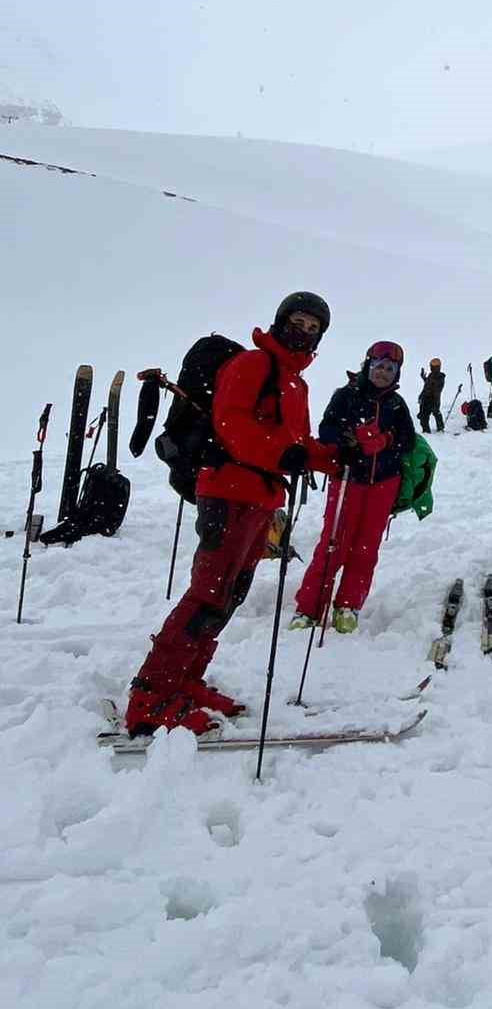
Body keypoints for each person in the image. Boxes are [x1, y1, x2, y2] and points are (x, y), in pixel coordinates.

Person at [124, 292, 339, 736]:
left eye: (312, 327)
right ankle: (151, 695)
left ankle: (184, 679)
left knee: (230, 593)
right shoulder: (253, 365)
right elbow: (231, 424)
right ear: (280, 321)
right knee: (208, 592)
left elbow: (296, 445)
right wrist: (286, 454)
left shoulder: (296, 385)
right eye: (297, 321)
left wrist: (338, 458)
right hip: (227, 489)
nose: (303, 331)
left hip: (262, 498)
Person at [290, 341, 418, 634]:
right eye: (379, 366)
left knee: (366, 546)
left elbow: (407, 440)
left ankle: (348, 604)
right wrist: (347, 441)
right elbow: (326, 429)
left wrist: (384, 441)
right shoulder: (346, 396)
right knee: (334, 542)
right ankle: (308, 608)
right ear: (368, 365)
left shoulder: (396, 404)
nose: (383, 373)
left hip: (383, 483)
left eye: (390, 368)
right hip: (348, 478)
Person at [418, 358, 446, 433]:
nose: (432, 368)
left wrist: (432, 402)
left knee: (436, 412)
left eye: (434, 367)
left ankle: (440, 429)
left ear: (438, 367)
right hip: (426, 398)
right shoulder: (431, 375)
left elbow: (436, 389)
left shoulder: (440, 377)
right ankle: (426, 431)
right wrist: (424, 377)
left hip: (433, 399)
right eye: (431, 366)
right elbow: (428, 384)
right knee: (424, 416)